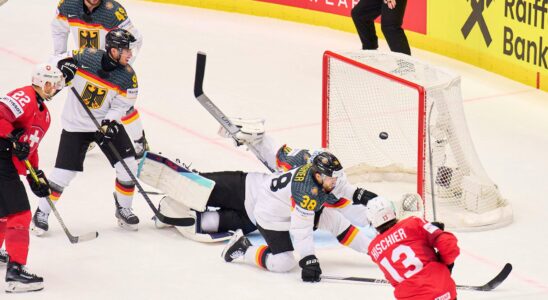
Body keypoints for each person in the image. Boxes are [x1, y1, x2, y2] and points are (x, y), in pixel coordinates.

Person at [32, 28, 141, 235]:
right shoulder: (85, 56)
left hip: (104, 124)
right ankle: (42, 212)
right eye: (126, 50)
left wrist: (109, 122)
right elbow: (53, 68)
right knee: (63, 174)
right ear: (114, 50)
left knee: (128, 166)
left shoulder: (128, 77)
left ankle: (124, 208)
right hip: (76, 125)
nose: (130, 55)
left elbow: (122, 104)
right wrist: (62, 68)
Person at [51, 0, 148, 157]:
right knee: (88, 102)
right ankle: (90, 135)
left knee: (122, 105)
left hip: (109, 63)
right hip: (85, 63)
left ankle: (139, 141)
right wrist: (60, 58)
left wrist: (120, 67)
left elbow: (135, 39)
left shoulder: (113, 11)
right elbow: (58, 29)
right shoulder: (68, 5)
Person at [0, 63, 64, 292]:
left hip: (7, 161)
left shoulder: (44, 114)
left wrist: (34, 175)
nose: (56, 88)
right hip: (1, 157)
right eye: (54, 83)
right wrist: (10, 137)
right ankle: (16, 274)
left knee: (5, 213)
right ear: (44, 82)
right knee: (19, 214)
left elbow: (30, 149)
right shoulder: (24, 96)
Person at [366, 197, 460, 300]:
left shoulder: (373, 249)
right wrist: (445, 264)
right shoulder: (413, 223)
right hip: (442, 291)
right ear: (393, 212)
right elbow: (449, 246)